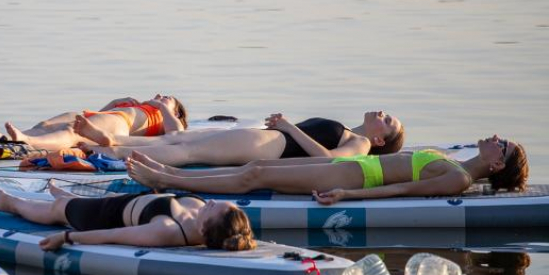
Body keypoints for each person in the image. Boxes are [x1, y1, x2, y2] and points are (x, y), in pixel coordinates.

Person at [126, 136, 528, 204]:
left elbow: (403, 191)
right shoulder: (455, 162)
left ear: (496, 164)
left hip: (353, 178)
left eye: (503, 144)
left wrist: (348, 195)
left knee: (255, 177)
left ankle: (165, 179)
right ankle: (167, 171)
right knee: (258, 164)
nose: (496, 137)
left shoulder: (458, 178)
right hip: (353, 164)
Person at [0, 183, 256, 251]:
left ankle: (10, 202)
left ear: (207, 228)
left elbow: (111, 234)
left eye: (212, 207)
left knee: (59, 209)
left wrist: (66, 236)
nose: (208, 201)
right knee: (68, 199)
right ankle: (67, 196)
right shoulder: (209, 220)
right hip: (137, 201)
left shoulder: (166, 231)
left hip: (105, 215)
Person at [80, 111, 404, 167]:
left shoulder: (359, 144)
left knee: (186, 154)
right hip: (267, 139)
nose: (382, 112)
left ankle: (108, 153)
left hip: (272, 147)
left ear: (378, 140)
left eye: (387, 121)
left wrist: (291, 128)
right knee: (179, 142)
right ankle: (108, 142)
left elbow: (328, 161)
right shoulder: (349, 131)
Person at [0, 94, 189, 150]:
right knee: (48, 125)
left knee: (72, 132)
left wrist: (162, 107)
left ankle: (26, 141)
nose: (160, 96)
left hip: (120, 124)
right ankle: (4, 139)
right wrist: (115, 102)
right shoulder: (143, 106)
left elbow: (177, 133)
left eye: (167, 97)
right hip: (109, 116)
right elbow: (101, 115)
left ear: (176, 111)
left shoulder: (165, 118)